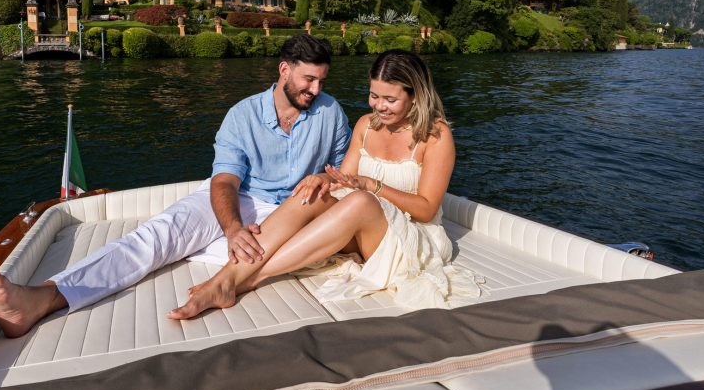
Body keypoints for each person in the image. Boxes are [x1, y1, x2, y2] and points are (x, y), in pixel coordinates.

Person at [0, 33, 351, 337]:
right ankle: (42, 298)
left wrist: (323, 177)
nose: (316, 90)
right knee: (155, 236)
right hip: (238, 198)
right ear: (285, 70)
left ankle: (228, 266)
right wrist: (233, 229)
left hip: (295, 209)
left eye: (321, 81)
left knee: (248, 253)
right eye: (309, 79)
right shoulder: (243, 115)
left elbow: (343, 168)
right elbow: (225, 180)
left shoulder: (330, 112)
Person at [169, 49, 485, 320]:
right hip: (366, 230)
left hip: (413, 237)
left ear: (415, 97)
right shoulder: (366, 125)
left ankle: (246, 279)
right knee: (313, 194)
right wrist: (320, 179)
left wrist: (371, 185)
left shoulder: (436, 136)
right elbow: (342, 180)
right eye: (374, 95)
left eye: (390, 99)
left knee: (361, 201)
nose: (379, 106)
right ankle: (228, 276)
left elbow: (427, 210)